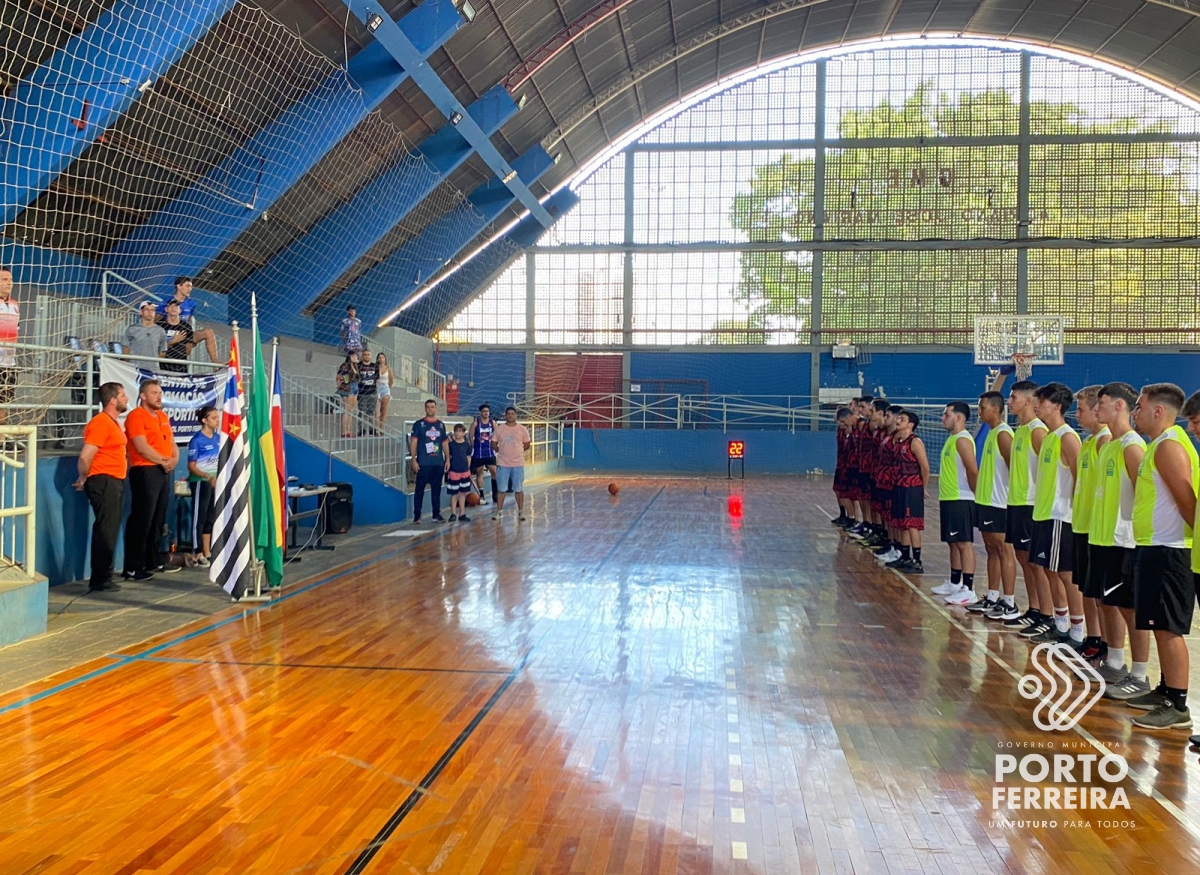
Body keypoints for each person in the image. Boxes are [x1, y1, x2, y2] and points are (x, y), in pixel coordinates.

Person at [1127, 383, 1198, 730]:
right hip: (1155, 545)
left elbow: (1189, 505)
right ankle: (1166, 688)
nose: (1135, 413)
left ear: (1158, 411)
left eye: (1139, 407)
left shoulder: (1170, 447)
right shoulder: (1160, 444)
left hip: (1170, 549)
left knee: (1169, 628)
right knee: (1158, 623)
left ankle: (1178, 703)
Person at [1091, 382, 1151, 700]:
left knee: (1129, 609)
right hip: (1103, 538)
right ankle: (1115, 662)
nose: (1096, 408)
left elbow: (1145, 496)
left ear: (1119, 406)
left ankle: (1139, 675)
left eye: (1101, 403)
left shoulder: (1131, 445)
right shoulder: (1109, 446)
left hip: (1123, 540)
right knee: (1108, 603)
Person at [1027, 383, 1083, 647]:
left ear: (1057, 406)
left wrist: (1073, 510)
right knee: (1049, 570)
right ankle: (1060, 624)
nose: (1037, 405)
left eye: (1042, 401)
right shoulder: (1048, 437)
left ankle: (1078, 628)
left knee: (1065, 574)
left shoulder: (1068, 437)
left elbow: (1079, 477)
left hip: (1061, 515)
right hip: (1043, 514)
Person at [1001, 381, 1051, 632]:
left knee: (1036, 563)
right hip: (1016, 502)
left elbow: (1049, 470)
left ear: (1028, 401)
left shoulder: (1037, 430)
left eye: (1013, 397)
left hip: (1031, 504)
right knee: (1023, 559)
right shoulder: (1019, 430)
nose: (1009, 402)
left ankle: (1047, 614)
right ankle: (1033, 609)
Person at [74, 382, 129, 593]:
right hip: (103, 480)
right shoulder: (101, 423)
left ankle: (104, 574)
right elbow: (86, 455)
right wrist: (83, 477)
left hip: (113, 480)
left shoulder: (113, 423)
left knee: (110, 529)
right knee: (105, 529)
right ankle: (99, 578)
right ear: (113, 400)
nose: (126, 399)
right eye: (123, 395)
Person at [123, 379, 179, 580]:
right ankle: (132, 566)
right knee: (142, 518)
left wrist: (174, 460)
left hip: (163, 471)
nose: (159, 396)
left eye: (160, 392)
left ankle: (152, 560)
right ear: (143, 396)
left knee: (158, 518)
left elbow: (172, 443)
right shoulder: (136, 416)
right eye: (154, 392)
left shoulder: (163, 416)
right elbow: (141, 446)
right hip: (145, 471)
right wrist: (163, 461)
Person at [1070, 386, 1111, 659]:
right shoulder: (1088, 442)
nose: (1078, 414)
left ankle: (1105, 644)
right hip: (1083, 524)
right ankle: (1093, 637)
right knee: (1087, 587)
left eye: (1083, 409)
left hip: (1098, 528)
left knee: (1101, 595)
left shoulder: (1105, 441)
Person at [970, 391, 1017, 619]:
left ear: (996, 409)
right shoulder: (991, 433)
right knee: (991, 549)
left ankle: (1009, 601)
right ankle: (992, 596)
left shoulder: (1004, 434)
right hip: (986, 500)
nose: (979, 412)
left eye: (982, 408)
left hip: (1000, 502)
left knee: (1003, 549)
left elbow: (1013, 469)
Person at [933, 401, 978, 605]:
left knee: (964, 543)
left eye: (946, 414)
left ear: (958, 417)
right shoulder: (952, 439)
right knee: (953, 542)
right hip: (949, 497)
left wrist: (974, 494)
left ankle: (968, 588)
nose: (943, 418)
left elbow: (972, 470)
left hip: (961, 498)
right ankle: (954, 582)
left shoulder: (963, 440)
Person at [885, 409, 928, 574]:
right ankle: (905, 557)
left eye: (902, 419)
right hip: (899, 487)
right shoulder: (898, 442)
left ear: (910, 424)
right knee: (902, 524)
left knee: (912, 525)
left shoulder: (915, 442)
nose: (898, 421)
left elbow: (925, 467)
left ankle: (917, 561)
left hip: (912, 489)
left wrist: (921, 487)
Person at [156, 277, 219, 362]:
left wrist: (191, 341)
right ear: (179, 286)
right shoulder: (167, 302)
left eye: (191, 287)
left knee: (208, 332)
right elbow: (155, 320)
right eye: (187, 286)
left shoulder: (191, 303)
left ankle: (216, 363)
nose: (190, 289)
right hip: (169, 334)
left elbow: (188, 321)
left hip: (183, 333)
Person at [187, 405, 220, 567]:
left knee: (210, 518)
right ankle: (197, 551)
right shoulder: (197, 440)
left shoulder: (218, 438)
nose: (217, 421)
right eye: (213, 418)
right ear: (204, 420)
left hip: (215, 483)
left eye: (217, 417)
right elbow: (191, 466)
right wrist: (207, 477)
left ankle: (207, 551)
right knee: (198, 518)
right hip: (201, 483)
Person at [409, 399, 450, 524]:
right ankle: (417, 515)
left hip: (437, 463)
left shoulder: (441, 425)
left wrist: (447, 458)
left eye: (432, 407)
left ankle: (436, 514)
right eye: (428, 407)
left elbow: (444, 442)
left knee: (436, 490)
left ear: (436, 408)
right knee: (419, 489)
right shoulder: (419, 424)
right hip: (424, 463)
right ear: (425, 408)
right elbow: (414, 442)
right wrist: (414, 460)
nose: (430, 409)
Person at [492, 406, 532, 522]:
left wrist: (517, 452)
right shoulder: (499, 429)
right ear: (505, 415)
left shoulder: (522, 429)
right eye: (508, 413)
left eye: (512, 413)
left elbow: (527, 444)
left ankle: (520, 512)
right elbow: (493, 443)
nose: (510, 415)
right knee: (501, 489)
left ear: (516, 415)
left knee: (518, 489)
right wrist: (501, 451)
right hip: (503, 463)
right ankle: (499, 511)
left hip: (518, 464)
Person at [470, 403, 499, 506]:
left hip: (490, 451)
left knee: (494, 471)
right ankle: (481, 495)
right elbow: (471, 437)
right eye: (484, 411)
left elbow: (497, 435)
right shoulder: (475, 424)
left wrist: (496, 446)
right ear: (481, 413)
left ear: (489, 412)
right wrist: (474, 447)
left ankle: (495, 494)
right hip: (479, 452)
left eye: (487, 411)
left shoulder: (493, 423)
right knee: (479, 473)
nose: (486, 413)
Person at [831, 406, 855, 528]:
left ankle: (852, 518)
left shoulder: (855, 429)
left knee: (848, 493)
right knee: (838, 490)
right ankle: (844, 515)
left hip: (850, 465)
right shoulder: (841, 430)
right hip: (841, 464)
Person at [0, 266, 19, 425]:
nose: (9, 283)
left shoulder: (15, 304)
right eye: (4, 280)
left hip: (9, 363)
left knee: (4, 403)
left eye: (10, 280)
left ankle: (0, 442)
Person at [446, 423, 473, 522]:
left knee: (463, 493)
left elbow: (468, 458)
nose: (458, 433)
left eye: (460, 431)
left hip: (464, 472)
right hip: (454, 472)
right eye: (456, 431)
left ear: (463, 433)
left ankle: (462, 513)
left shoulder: (467, 445)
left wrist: (468, 469)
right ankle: (453, 513)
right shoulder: (451, 445)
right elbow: (448, 457)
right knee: (454, 494)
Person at [158, 299, 194, 373]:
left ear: (180, 310)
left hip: (180, 366)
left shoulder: (186, 327)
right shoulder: (159, 326)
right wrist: (172, 342)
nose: (173, 308)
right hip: (162, 366)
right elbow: (156, 348)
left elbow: (188, 350)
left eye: (176, 306)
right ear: (166, 309)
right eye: (171, 305)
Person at [335, 354, 358, 438]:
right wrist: (340, 386)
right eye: (353, 356)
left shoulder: (355, 366)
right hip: (348, 386)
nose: (355, 358)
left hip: (355, 386)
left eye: (356, 356)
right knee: (347, 409)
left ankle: (348, 430)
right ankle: (344, 431)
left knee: (351, 410)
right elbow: (339, 377)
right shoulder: (345, 366)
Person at [357, 350, 378, 433]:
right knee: (362, 412)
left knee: (371, 412)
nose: (366, 356)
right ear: (362, 356)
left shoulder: (374, 366)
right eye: (365, 355)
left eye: (368, 355)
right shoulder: (358, 366)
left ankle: (370, 428)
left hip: (372, 392)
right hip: (362, 392)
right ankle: (361, 429)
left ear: (371, 356)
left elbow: (377, 379)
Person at [375, 352, 393, 429]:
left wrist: (388, 387)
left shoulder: (388, 369)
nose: (381, 359)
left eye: (383, 357)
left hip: (385, 388)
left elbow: (391, 381)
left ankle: (381, 427)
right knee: (376, 410)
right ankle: (376, 427)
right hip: (377, 387)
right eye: (380, 357)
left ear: (385, 359)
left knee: (383, 410)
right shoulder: (375, 368)